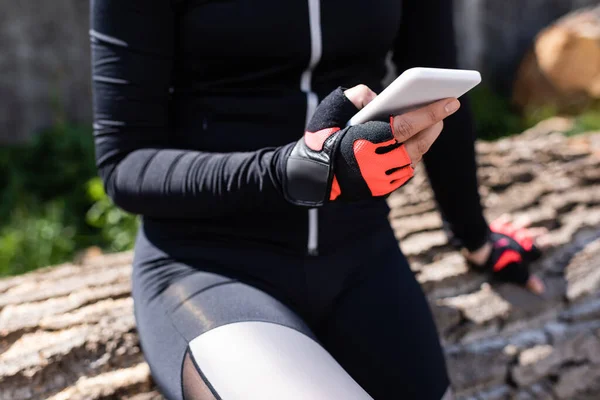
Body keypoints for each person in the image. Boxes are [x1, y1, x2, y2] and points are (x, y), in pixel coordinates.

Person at [90, 0, 543, 398]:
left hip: (363, 256)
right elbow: (126, 165)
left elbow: (442, 95)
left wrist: (474, 235)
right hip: (211, 265)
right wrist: (291, 170)